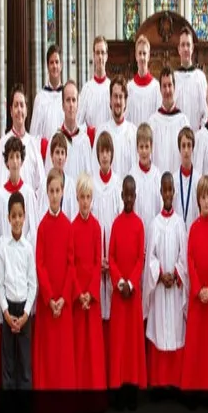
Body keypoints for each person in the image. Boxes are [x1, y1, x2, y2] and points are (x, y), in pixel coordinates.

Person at [143, 172, 188, 390]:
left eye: (171, 189)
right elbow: (149, 257)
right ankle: (160, 383)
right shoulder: (154, 224)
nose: (168, 193)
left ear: (174, 193)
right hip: (161, 288)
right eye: (165, 189)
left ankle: (175, 381)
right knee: (160, 329)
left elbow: (184, 256)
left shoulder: (180, 224)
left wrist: (177, 273)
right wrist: (160, 274)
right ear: (161, 192)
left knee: (177, 330)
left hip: (175, 287)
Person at [33, 169, 77, 389]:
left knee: (63, 354)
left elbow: (72, 264)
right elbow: (39, 265)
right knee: (49, 354)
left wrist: (62, 298)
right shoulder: (41, 227)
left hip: (63, 302)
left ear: (63, 192)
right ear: (46, 193)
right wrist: (50, 297)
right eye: (51, 191)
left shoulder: (68, 226)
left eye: (57, 190)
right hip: (48, 303)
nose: (54, 194)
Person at [181, 175, 208, 392]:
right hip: (199, 298)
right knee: (197, 345)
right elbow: (190, 260)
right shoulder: (194, 229)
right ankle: (194, 388)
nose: (206, 201)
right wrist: (199, 288)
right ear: (198, 200)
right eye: (203, 197)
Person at [108, 176, 147, 406]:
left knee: (132, 345)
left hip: (131, 296)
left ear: (135, 196)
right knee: (119, 344)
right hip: (119, 293)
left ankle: (131, 390)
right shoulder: (115, 223)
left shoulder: (140, 225)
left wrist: (130, 283)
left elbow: (140, 258)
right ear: (121, 196)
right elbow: (111, 256)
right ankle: (118, 390)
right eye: (126, 194)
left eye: (133, 194)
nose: (129, 198)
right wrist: (118, 281)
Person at [0, 191, 36, 390]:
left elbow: (32, 284)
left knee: (25, 364)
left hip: (25, 313)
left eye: (20, 215)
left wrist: (26, 313)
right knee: (9, 364)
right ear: (8, 218)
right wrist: (6, 312)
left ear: (25, 216)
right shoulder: (2, 248)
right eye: (14, 216)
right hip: (8, 310)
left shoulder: (28, 249)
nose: (17, 220)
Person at [71, 173, 106, 390]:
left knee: (92, 346)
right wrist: (79, 293)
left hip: (91, 298)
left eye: (88, 197)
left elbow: (97, 262)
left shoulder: (96, 227)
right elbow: (71, 264)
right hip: (78, 296)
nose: (85, 202)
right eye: (82, 197)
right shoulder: (72, 227)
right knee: (79, 347)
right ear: (77, 198)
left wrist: (90, 293)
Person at [92, 131, 122, 367]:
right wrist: (97, 260)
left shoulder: (117, 184)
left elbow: (120, 224)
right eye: (101, 151)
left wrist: (110, 261)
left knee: (113, 316)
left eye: (108, 151)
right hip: (95, 259)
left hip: (114, 259)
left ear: (112, 155)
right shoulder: (91, 183)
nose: (104, 156)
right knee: (97, 315)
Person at [0, 84, 46, 199]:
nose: (19, 110)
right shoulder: (3, 143)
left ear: (26, 110)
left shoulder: (33, 144)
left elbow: (41, 186)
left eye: (22, 105)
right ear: (11, 111)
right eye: (16, 105)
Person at [0, 136, 39, 248]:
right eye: (11, 157)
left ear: (22, 161)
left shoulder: (28, 193)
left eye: (17, 156)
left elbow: (34, 230)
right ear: (7, 162)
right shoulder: (0, 196)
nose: (15, 161)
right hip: (5, 256)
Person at [45, 80, 94, 180]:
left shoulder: (84, 140)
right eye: (68, 100)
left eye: (73, 100)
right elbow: (48, 177)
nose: (71, 105)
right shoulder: (55, 139)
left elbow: (89, 177)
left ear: (78, 105)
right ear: (62, 105)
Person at [93, 75, 137, 180]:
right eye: (115, 96)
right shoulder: (102, 131)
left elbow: (136, 171)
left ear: (125, 101)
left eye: (121, 97)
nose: (118, 101)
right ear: (110, 100)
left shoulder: (133, 132)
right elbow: (94, 167)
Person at [148, 67, 190, 174]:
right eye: (164, 86)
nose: (167, 90)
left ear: (174, 87)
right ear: (160, 89)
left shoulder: (183, 121)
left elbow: (188, 156)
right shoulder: (153, 122)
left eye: (170, 85)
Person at [129, 123, 162, 244]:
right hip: (136, 236)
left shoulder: (157, 176)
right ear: (137, 148)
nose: (144, 151)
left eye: (146, 147)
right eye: (141, 147)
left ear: (151, 147)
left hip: (154, 236)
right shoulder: (132, 175)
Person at [174, 26, 207, 131]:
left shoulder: (200, 77)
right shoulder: (173, 78)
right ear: (179, 49)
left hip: (196, 137)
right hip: (177, 138)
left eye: (188, 45)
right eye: (183, 45)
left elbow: (205, 111)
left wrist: (199, 135)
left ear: (192, 48)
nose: (185, 49)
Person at [39, 132, 77, 221]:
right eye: (57, 152)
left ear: (66, 157)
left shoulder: (70, 184)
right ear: (51, 156)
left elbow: (73, 214)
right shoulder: (44, 184)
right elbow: (41, 215)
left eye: (62, 153)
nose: (60, 157)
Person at [30, 44, 64, 141]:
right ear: (47, 66)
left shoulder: (67, 96)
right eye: (51, 62)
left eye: (57, 62)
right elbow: (34, 134)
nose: (54, 66)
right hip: (45, 154)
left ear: (61, 65)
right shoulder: (40, 98)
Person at [126, 34, 161, 126]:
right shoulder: (129, 87)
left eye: (144, 53)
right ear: (136, 56)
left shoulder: (156, 87)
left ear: (148, 56)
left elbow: (158, 118)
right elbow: (126, 119)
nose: (142, 57)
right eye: (140, 53)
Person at [78, 35, 111, 129]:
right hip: (90, 142)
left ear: (107, 56)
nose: (100, 57)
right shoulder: (86, 89)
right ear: (93, 56)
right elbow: (79, 123)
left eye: (103, 53)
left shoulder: (111, 87)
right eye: (97, 53)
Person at [173, 127, 199, 230]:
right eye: (183, 146)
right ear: (179, 149)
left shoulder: (198, 180)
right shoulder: (173, 180)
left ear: (193, 148)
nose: (186, 150)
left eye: (189, 145)